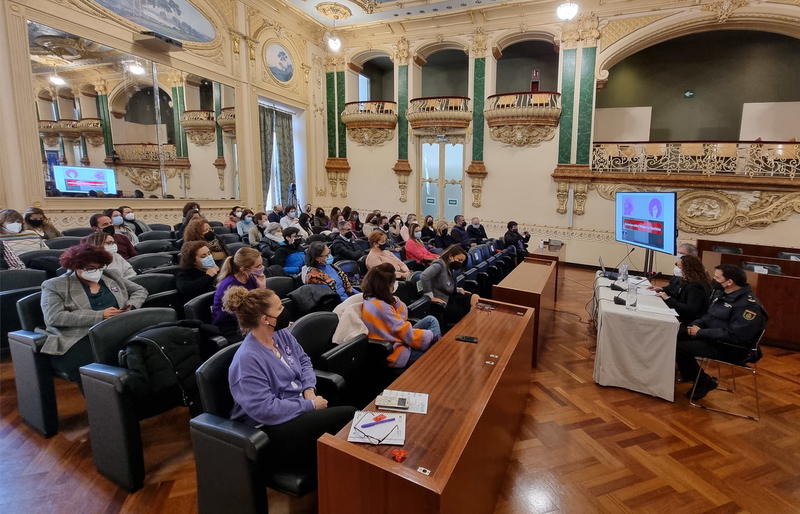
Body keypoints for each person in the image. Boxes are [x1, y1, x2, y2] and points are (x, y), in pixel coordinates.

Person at [224, 286, 356, 473]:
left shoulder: (281, 334)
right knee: (349, 415)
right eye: (279, 308)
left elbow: (303, 361)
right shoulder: (247, 360)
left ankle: (338, 473)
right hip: (268, 430)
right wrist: (310, 406)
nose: (285, 310)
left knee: (351, 396)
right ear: (265, 320)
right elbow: (266, 410)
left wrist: (309, 389)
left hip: (297, 406)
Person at [37, 243, 147, 392]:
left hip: (116, 330)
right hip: (77, 336)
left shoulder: (110, 275)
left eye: (100, 267)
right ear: (75, 266)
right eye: (90, 268)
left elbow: (140, 290)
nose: (97, 272)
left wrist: (130, 306)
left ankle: (141, 398)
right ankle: (106, 407)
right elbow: (54, 317)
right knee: (100, 369)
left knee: (143, 353)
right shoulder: (55, 285)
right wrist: (100, 315)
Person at [676, 263, 768, 400]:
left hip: (731, 347)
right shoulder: (722, 293)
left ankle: (702, 381)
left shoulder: (749, 306)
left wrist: (700, 333)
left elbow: (735, 335)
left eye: (716, 278)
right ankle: (691, 374)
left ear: (729, 282)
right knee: (675, 334)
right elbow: (708, 317)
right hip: (712, 337)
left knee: (678, 348)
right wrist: (694, 326)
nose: (713, 280)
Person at [360, 263, 441, 368]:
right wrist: (431, 337)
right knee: (435, 356)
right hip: (397, 352)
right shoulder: (381, 306)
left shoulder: (372, 298)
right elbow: (404, 331)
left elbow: (403, 318)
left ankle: (435, 349)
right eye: (392, 283)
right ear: (386, 286)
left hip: (396, 337)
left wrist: (395, 300)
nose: (394, 286)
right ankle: (437, 355)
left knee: (430, 320)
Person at [212, 247, 267, 341]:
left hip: (249, 316)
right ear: (244, 269)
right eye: (258, 266)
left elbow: (262, 303)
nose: (261, 268)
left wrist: (262, 288)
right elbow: (241, 316)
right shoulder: (229, 285)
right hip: (230, 324)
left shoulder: (251, 277)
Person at [421, 245, 481, 326]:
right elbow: (424, 276)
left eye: (462, 261)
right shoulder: (440, 264)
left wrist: (458, 289)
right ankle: (470, 326)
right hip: (444, 302)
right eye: (459, 260)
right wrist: (430, 296)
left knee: (475, 298)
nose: (460, 263)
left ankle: (475, 324)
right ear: (451, 257)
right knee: (467, 309)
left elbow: (448, 283)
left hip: (451, 296)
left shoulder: (449, 267)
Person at [655, 254, 712, 326]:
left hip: (689, 322)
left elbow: (690, 309)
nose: (677, 268)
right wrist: (664, 291)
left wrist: (668, 299)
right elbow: (679, 295)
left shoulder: (696, 286)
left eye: (679, 266)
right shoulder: (687, 280)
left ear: (688, 269)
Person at [176, 241, 219, 310]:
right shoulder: (185, 273)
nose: (209, 257)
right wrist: (208, 276)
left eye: (209, 253)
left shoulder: (217, 268)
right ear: (193, 261)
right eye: (203, 256)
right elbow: (185, 289)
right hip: (201, 309)